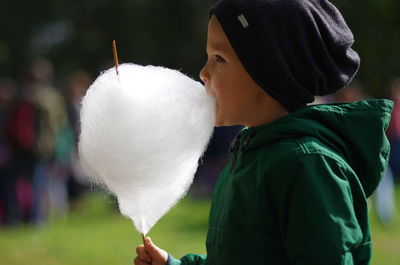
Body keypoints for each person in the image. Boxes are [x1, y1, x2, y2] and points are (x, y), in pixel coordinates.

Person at [134, 0, 393, 264]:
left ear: (269, 72)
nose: (203, 73)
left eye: (219, 58)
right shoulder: (247, 156)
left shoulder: (306, 166)